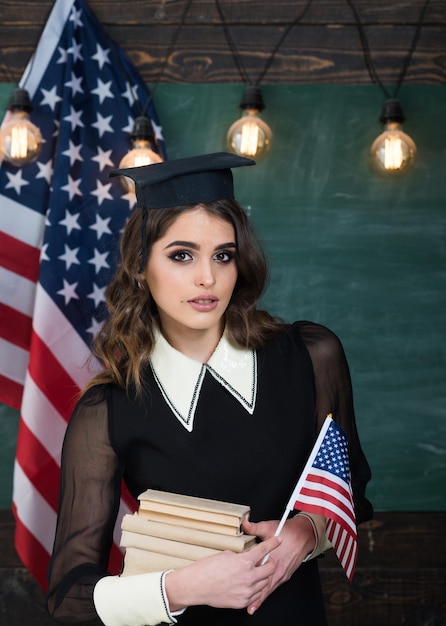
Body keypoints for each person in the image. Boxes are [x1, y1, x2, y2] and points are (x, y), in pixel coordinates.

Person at [47, 152, 373, 626]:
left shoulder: (311, 357)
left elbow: (349, 490)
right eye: (182, 255)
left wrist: (308, 530)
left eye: (224, 255)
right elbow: (69, 596)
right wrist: (183, 587)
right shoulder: (108, 409)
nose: (208, 277)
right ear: (141, 266)